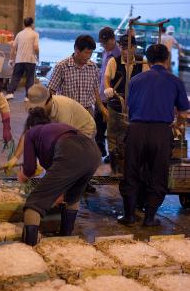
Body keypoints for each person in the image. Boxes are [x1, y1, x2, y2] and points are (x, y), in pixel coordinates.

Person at [119, 44, 189, 227]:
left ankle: (129, 216)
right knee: (158, 174)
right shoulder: (175, 81)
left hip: (136, 130)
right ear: (167, 59)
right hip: (161, 132)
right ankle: (149, 218)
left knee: (131, 172)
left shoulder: (135, 79)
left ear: (148, 61)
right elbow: (183, 113)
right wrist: (176, 124)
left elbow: (128, 108)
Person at [18, 107, 100, 246]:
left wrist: (23, 175)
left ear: (30, 125)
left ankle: (29, 250)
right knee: (72, 196)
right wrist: (58, 193)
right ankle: (65, 238)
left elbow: (30, 169)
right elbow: (62, 173)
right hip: (93, 153)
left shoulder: (32, 133)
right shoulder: (56, 128)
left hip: (70, 151)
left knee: (34, 203)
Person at [6, 83, 97, 168]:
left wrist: (42, 162)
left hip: (83, 128)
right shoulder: (37, 109)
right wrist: (15, 158)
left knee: (74, 161)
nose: (38, 109)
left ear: (49, 100)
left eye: (40, 106)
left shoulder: (63, 110)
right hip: (65, 131)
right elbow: (27, 133)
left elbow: (66, 139)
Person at [49, 34, 107, 118]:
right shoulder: (61, 66)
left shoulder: (93, 67)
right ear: (76, 49)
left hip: (87, 111)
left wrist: (102, 108)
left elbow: (95, 90)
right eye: (86, 52)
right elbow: (51, 91)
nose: (88, 56)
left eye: (91, 53)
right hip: (67, 111)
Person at [96, 27, 121, 159]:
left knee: (112, 129)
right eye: (102, 43)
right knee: (98, 128)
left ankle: (112, 156)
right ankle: (100, 153)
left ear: (113, 39)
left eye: (105, 43)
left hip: (111, 99)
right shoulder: (106, 52)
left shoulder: (118, 55)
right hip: (101, 96)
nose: (103, 46)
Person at [104, 34, 148, 104]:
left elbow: (147, 82)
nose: (125, 52)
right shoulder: (113, 61)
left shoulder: (142, 62)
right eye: (122, 48)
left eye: (128, 48)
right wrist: (107, 88)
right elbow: (107, 78)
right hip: (117, 103)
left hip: (136, 102)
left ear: (134, 47)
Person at [6, 17, 39, 101]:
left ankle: (10, 93)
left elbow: (13, 47)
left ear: (24, 24)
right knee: (30, 78)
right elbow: (36, 48)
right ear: (32, 24)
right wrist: (38, 57)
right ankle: (27, 96)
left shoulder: (19, 34)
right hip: (30, 59)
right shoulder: (35, 34)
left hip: (19, 59)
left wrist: (11, 59)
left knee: (16, 76)